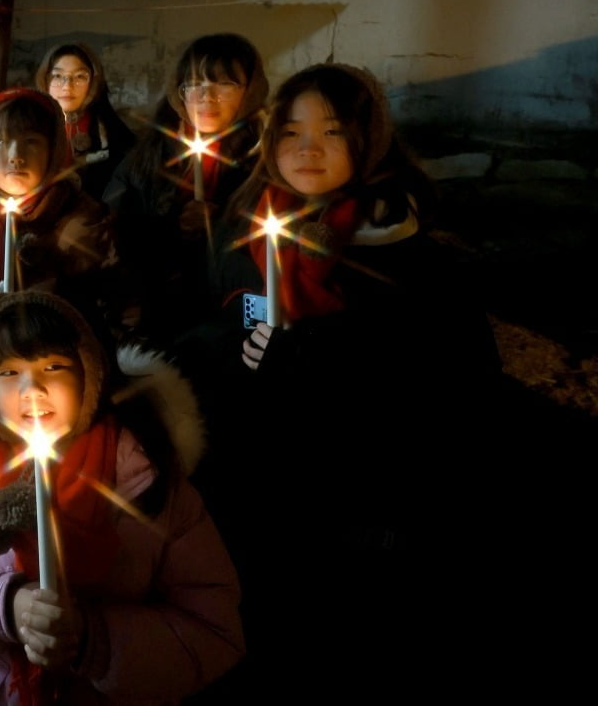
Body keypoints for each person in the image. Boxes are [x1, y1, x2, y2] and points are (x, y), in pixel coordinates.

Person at [185, 63, 500, 696]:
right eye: (291, 131)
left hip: (360, 527)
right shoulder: (241, 236)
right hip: (246, 510)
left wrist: (316, 362)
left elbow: (463, 400)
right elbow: (205, 336)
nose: (307, 149)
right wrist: (230, 357)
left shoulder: (416, 263)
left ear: (369, 140)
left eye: (332, 131)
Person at [0, 291, 244, 704]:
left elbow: (213, 629)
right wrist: (5, 605)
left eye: (54, 366)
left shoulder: (144, 479)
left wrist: (93, 640)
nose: (32, 389)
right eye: (9, 372)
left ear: (89, 374)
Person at [104, 33, 268, 342]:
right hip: (150, 320)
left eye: (224, 83)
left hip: (229, 327)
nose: (207, 96)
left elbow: (265, 272)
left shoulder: (266, 161)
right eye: (194, 84)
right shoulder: (148, 156)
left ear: (251, 91)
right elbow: (116, 226)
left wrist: (218, 226)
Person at [0, 88, 115, 312]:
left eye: (31, 142)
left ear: (52, 150)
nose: (15, 156)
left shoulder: (83, 220)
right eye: (1, 142)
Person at [34, 43, 135, 203]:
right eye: (58, 76)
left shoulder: (108, 130)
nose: (67, 86)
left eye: (80, 76)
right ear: (44, 80)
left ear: (93, 82)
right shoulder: (31, 125)